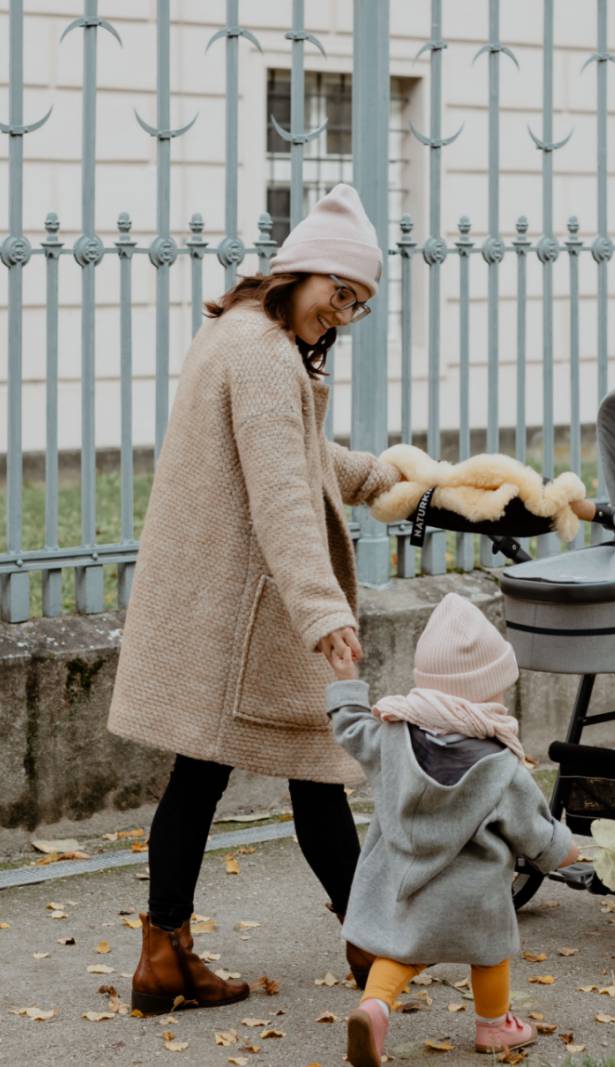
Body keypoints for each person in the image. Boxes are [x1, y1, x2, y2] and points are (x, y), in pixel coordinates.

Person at [107, 184, 402, 1015]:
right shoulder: (268, 356)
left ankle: (165, 955)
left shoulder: (232, 334)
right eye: (339, 292)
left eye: (359, 305)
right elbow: (279, 491)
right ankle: (371, 944)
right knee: (317, 764)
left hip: (211, 600)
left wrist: (381, 474)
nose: (341, 314)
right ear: (301, 271)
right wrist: (323, 612)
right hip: (250, 610)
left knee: (202, 777)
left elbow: (296, 453)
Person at [325, 593, 580, 1065]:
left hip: (411, 887)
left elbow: (351, 728)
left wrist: (346, 683)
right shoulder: (501, 765)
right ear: (483, 691)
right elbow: (535, 833)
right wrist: (568, 852)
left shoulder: (393, 734)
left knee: (400, 955)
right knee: (490, 954)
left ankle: (374, 1007)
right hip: (476, 896)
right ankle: (495, 1027)